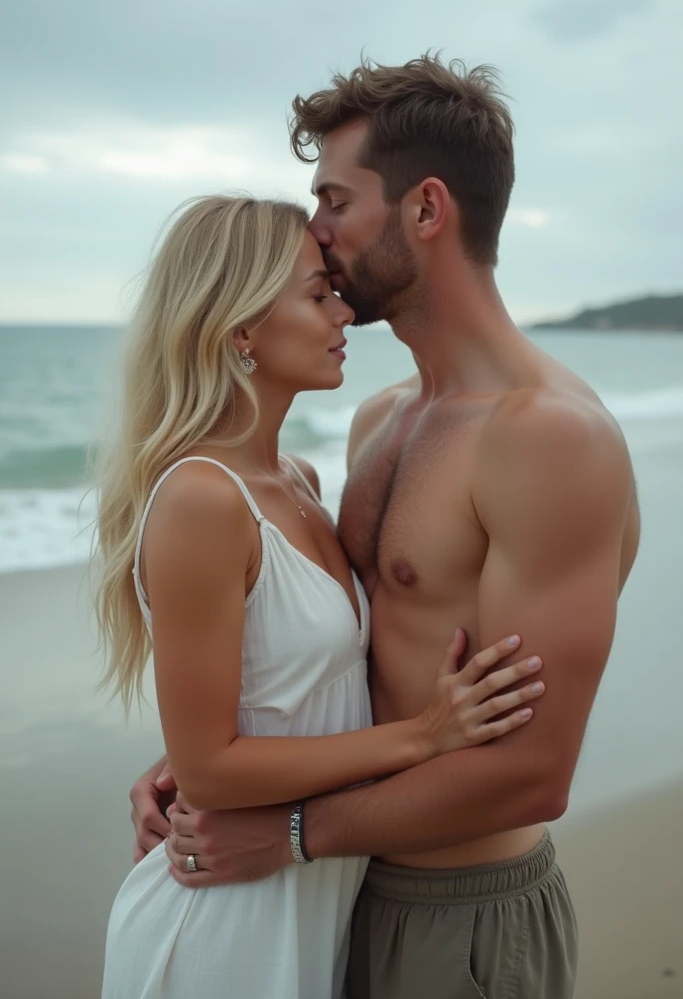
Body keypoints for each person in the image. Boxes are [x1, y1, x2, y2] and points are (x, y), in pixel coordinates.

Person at [129, 58, 641, 999]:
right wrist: (206, 763)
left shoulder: (544, 439)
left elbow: (530, 775)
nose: (316, 233)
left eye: (332, 199)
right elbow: (343, 655)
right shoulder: (378, 423)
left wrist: (286, 830)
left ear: (425, 209)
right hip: (327, 896)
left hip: (455, 911)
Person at [95, 193, 545, 999]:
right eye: (316, 293)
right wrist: (423, 736)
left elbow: (281, 686)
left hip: (311, 902)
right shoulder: (203, 496)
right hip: (226, 927)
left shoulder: (296, 482)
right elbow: (212, 770)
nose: (345, 311)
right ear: (239, 328)